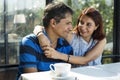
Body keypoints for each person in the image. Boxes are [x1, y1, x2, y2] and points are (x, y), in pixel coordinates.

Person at [17, 2, 74, 80]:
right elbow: (32, 78)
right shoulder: (29, 43)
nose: (71, 28)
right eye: (68, 23)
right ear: (53, 23)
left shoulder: (66, 46)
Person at [33, 7, 106, 67]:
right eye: (81, 22)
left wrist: (57, 55)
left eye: (88, 24)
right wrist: (40, 35)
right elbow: (43, 27)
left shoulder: (101, 40)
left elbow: (85, 60)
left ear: (96, 26)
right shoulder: (71, 37)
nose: (83, 27)